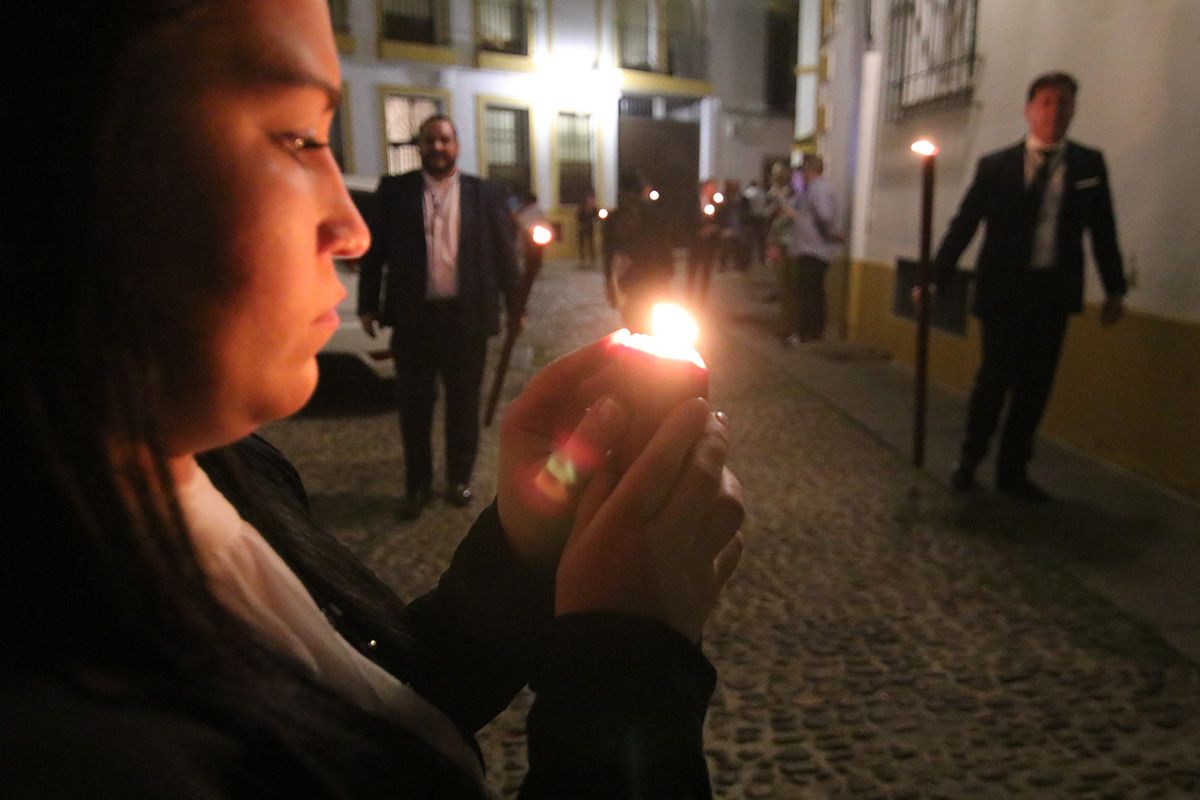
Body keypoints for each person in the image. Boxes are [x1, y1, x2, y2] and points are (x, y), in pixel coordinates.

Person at [1, 2, 746, 798]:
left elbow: (370, 706)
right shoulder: (75, 743)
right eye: (297, 138)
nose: (348, 227)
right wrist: (627, 661)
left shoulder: (228, 471)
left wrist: (521, 553)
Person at [920, 72, 1127, 503]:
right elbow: (966, 223)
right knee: (993, 381)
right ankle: (969, 460)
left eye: (1064, 103)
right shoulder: (996, 166)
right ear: (1029, 109)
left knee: (1036, 387)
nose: (1054, 112)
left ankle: (1013, 470)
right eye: (1047, 102)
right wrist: (935, 276)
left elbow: (1103, 230)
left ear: (1074, 110)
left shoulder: (1088, 165)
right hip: (1003, 293)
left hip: (1053, 293)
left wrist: (1114, 289)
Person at [358, 114, 520, 519]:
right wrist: (367, 303)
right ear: (420, 145)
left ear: (457, 146)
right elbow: (374, 254)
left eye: (445, 140)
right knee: (414, 407)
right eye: (430, 140)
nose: (438, 147)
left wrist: (517, 307)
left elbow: (505, 256)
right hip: (414, 320)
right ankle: (417, 485)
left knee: (463, 405)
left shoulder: (484, 194)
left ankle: (458, 478)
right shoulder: (395, 191)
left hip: (467, 320)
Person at [602, 170, 674, 331]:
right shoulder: (653, 215)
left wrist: (609, 284)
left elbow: (608, 255)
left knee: (636, 323)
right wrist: (668, 272)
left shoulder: (615, 218)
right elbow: (664, 247)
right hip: (645, 277)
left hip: (633, 278)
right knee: (645, 324)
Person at [781, 154, 841, 345]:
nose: (801, 174)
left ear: (809, 170)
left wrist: (796, 216)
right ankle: (814, 332)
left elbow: (824, 216)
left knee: (807, 293)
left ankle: (806, 333)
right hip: (814, 248)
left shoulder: (818, 189)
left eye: (803, 170)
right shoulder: (815, 189)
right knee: (814, 292)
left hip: (812, 249)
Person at [576, 192, 599, 270]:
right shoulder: (582, 208)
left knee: (591, 244)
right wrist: (582, 224)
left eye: (592, 200)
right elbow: (578, 217)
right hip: (582, 228)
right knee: (581, 244)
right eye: (590, 199)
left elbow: (597, 218)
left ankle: (592, 260)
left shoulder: (594, 209)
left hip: (590, 228)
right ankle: (582, 261)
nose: (592, 201)